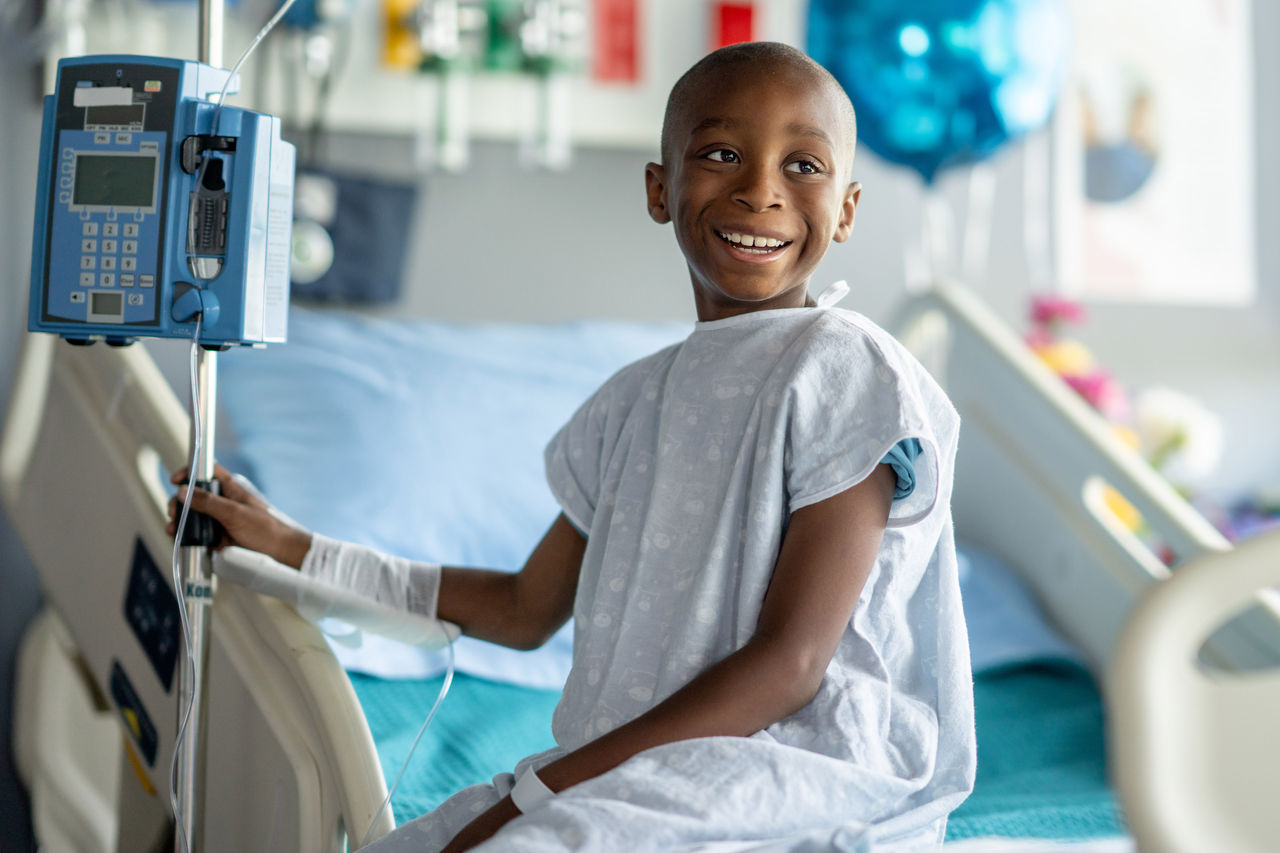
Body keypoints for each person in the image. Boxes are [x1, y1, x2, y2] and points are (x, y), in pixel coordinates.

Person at [170, 41, 975, 852]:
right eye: (722, 153)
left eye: (804, 165)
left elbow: (792, 664)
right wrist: (299, 549)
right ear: (661, 190)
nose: (761, 189)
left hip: (791, 765)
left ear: (846, 208)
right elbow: (525, 608)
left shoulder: (844, 367)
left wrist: (543, 790)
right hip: (629, 769)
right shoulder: (631, 404)